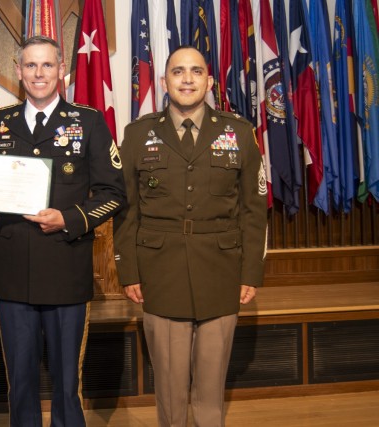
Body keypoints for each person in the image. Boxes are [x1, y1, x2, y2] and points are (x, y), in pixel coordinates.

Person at [0, 35, 126, 426]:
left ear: (62, 72)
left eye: (48, 65)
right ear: (18, 72)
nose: (39, 74)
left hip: (65, 267)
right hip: (12, 269)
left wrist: (69, 219)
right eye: (31, 66)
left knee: (66, 381)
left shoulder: (87, 122)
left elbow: (114, 193)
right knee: (18, 380)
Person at [113, 46, 268, 427]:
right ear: (164, 82)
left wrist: (251, 273)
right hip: (160, 272)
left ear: (209, 82)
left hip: (221, 270)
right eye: (178, 72)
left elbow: (254, 210)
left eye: (196, 72)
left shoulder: (239, 132)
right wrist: (128, 270)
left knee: (211, 388)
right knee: (169, 386)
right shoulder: (137, 134)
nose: (187, 79)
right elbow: (126, 211)